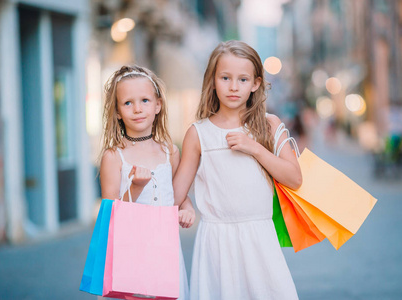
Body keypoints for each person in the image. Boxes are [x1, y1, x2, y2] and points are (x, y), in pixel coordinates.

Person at [173, 40, 302, 300]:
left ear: (255, 83)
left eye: (243, 79)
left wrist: (254, 147)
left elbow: (294, 178)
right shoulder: (198, 134)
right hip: (216, 241)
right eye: (225, 78)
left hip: (260, 238)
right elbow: (175, 194)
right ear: (212, 80)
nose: (233, 87)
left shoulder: (269, 125)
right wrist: (185, 204)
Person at [99, 65, 195, 300]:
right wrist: (135, 187)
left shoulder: (170, 152)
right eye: (128, 103)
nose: (138, 109)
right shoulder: (113, 156)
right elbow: (108, 215)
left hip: (166, 250)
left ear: (158, 105)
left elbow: (177, 193)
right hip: (131, 251)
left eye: (144, 100)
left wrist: (187, 208)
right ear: (118, 111)